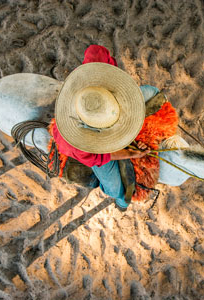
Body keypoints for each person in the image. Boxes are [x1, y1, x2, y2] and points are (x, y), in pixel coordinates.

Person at [51, 45, 164, 211]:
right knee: (116, 189)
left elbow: (97, 53)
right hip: (96, 134)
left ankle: (121, 201)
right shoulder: (78, 143)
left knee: (152, 93)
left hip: (109, 103)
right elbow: (103, 156)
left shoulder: (92, 67)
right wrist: (133, 153)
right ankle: (121, 201)